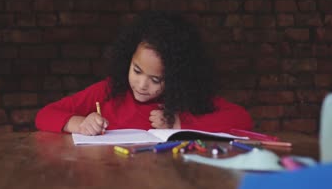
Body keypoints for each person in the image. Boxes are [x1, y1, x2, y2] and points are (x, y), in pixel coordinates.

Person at [35, 11, 253, 135]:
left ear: (177, 78)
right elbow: (44, 115)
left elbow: (242, 120)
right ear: (127, 60)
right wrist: (79, 124)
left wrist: (178, 124)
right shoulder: (109, 90)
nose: (141, 85)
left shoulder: (186, 100)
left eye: (156, 79)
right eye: (136, 70)